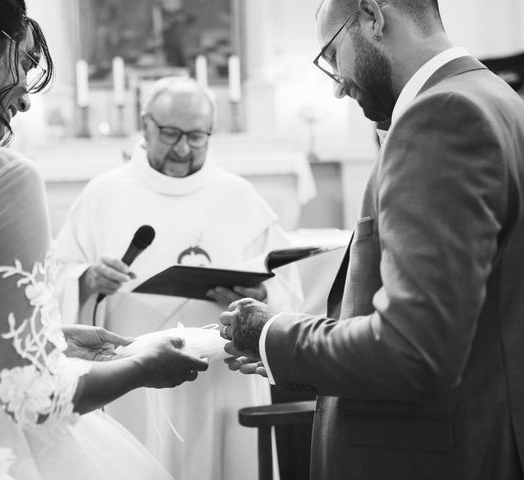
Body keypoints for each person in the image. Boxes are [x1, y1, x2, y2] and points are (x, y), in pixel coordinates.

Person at [220, 0, 524, 479]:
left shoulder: (442, 116)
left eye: (332, 55)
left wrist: (272, 334)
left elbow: (413, 350)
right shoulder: (499, 100)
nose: (338, 85)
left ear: (372, 17)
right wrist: (295, 355)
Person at [0, 0, 210, 478]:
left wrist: (47, 340)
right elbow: (33, 397)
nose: (26, 98)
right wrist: (142, 367)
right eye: (23, 61)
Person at [55, 76, 301, 480]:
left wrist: (260, 293)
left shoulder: (239, 196)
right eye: (170, 134)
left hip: (221, 380)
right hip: (131, 378)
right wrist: (86, 281)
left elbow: (288, 291)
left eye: (197, 136)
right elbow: (57, 279)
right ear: (145, 124)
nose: (183, 148)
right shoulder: (103, 195)